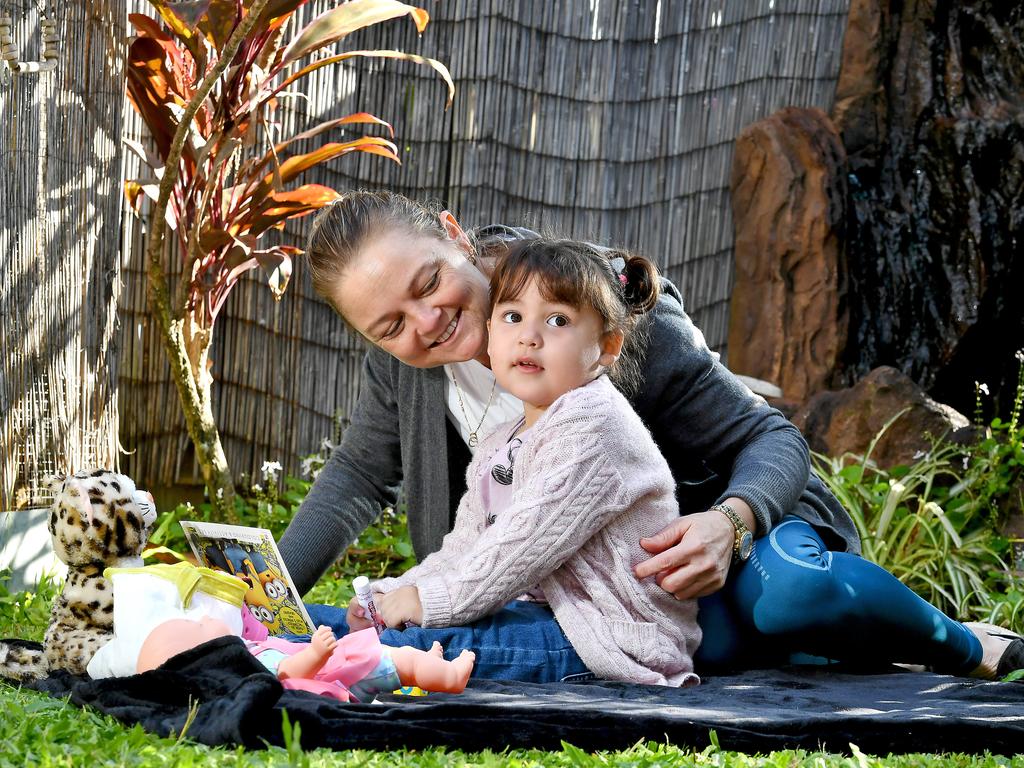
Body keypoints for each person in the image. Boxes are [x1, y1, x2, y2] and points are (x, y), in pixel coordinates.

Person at [278, 190, 1023, 681]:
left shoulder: (598, 306)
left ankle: (958, 643)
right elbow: (352, 484)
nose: (426, 322)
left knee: (789, 596)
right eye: (391, 326)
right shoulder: (408, 370)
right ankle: (846, 639)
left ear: (453, 235)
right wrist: (263, 591)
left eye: (426, 285)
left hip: (733, 555)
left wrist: (729, 523)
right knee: (734, 650)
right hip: (618, 600)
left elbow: (774, 439)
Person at [354, 239, 700, 685]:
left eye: (558, 321)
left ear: (607, 346)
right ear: (492, 328)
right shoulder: (504, 439)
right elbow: (467, 546)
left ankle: (300, 656)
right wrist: (390, 593)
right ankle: (288, 638)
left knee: (420, 647)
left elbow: (518, 551)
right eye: (512, 317)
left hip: (609, 634)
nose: (529, 335)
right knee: (348, 627)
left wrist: (427, 603)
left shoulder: (594, 423)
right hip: (542, 613)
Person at [137, 617, 476, 702]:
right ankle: (449, 677)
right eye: (196, 623)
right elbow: (285, 673)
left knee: (408, 663)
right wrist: (316, 653)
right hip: (349, 666)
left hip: (342, 669)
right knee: (402, 660)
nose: (204, 616)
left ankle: (431, 667)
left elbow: (254, 630)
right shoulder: (252, 668)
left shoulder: (246, 655)